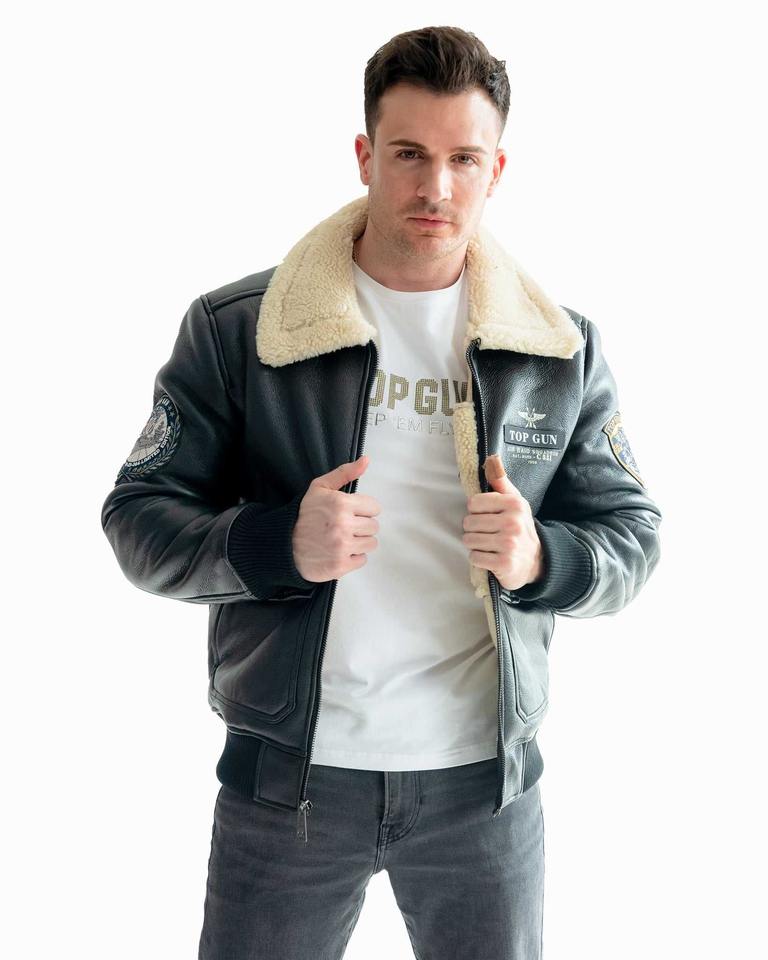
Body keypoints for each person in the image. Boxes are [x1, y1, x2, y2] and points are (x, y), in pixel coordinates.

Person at [100, 25, 662, 960]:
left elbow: (633, 534)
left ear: (496, 170)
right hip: (289, 786)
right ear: (365, 155)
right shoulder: (240, 329)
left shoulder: (557, 350)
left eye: (462, 159)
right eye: (408, 154)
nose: (435, 186)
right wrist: (275, 543)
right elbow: (137, 517)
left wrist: (543, 558)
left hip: (485, 792)